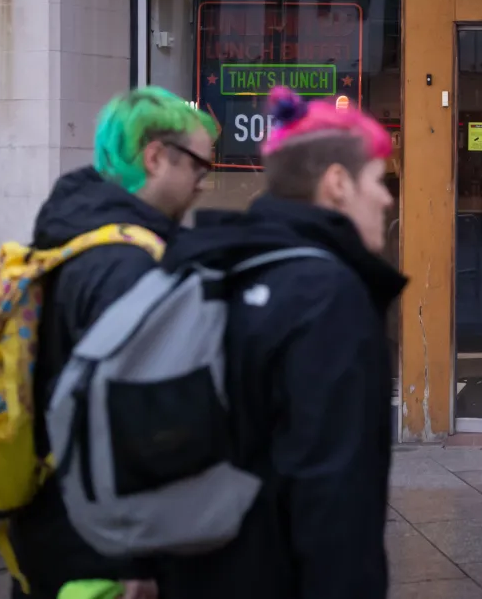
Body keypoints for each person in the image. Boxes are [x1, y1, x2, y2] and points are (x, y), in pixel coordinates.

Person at [157, 87, 407, 599]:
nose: (387, 198)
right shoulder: (331, 298)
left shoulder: (210, 266)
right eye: (378, 182)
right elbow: (334, 496)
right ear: (337, 183)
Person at [10, 87, 217, 599]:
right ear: (154, 157)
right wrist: (137, 561)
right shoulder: (125, 267)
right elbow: (129, 417)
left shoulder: (69, 236)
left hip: (49, 531)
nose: (203, 185)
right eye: (197, 167)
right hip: (100, 559)